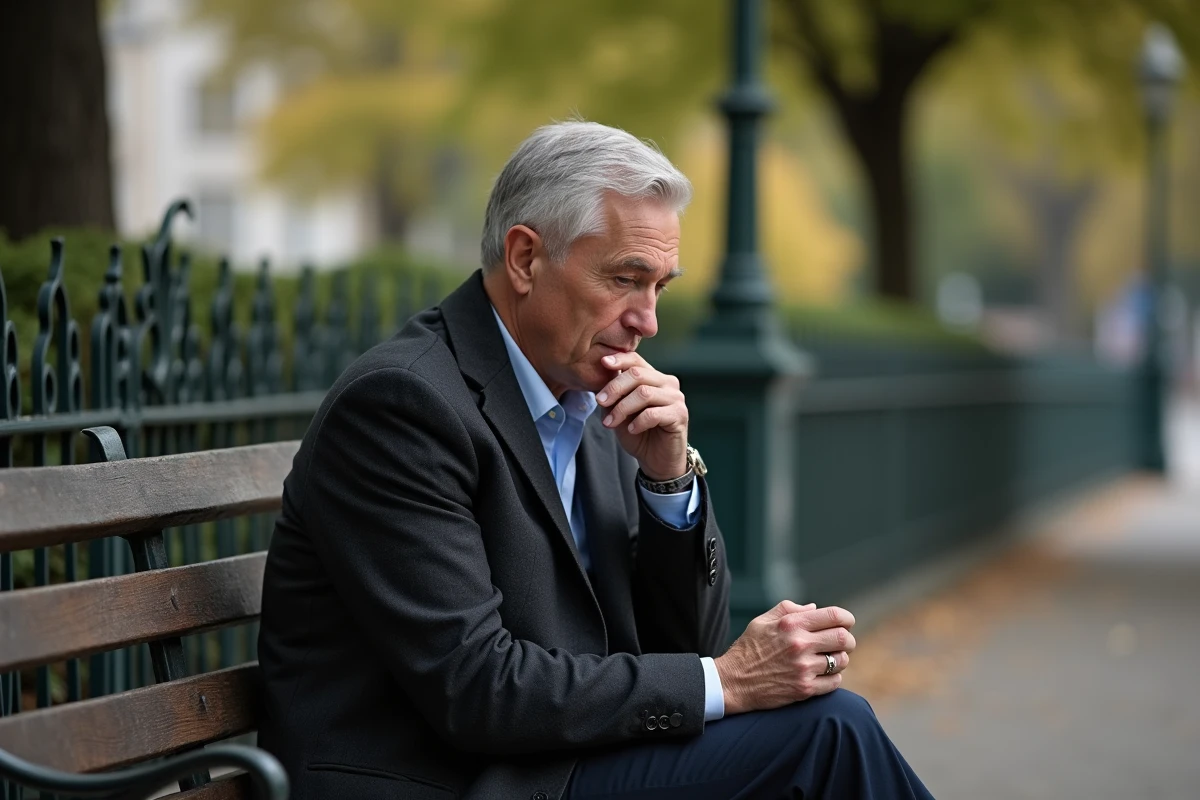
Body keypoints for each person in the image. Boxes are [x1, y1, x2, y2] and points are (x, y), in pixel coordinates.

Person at [257, 120, 934, 800]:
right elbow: (476, 690)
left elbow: (688, 647)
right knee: (828, 734)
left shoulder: (592, 402)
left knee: (823, 724)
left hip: (560, 765)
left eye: (660, 286)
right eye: (626, 279)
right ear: (525, 258)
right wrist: (729, 681)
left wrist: (669, 479)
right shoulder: (404, 405)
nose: (648, 321)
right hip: (450, 782)